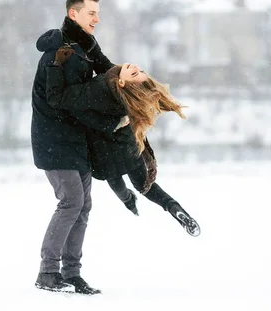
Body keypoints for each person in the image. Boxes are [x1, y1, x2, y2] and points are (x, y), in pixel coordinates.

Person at [31, 0, 140, 295]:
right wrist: (107, 114)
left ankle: (72, 273)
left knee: (84, 204)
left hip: (77, 139)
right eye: (92, 14)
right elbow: (57, 99)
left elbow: (107, 72)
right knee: (71, 201)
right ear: (73, 13)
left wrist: (129, 79)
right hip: (53, 140)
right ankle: (48, 272)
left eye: (98, 14)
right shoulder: (60, 50)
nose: (97, 19)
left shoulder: (86, 46)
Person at [46, 49, 201, 238]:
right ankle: (172, 206)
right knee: (146, 186)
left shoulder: (98, 90)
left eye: (134, 73)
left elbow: (66, 104)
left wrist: (56, 66)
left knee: (118, 186)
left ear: (121, 83)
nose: (135, 66)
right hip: (128, 148)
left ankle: (129, 202)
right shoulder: (127, 98)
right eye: (140, 70)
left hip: (106, 155)